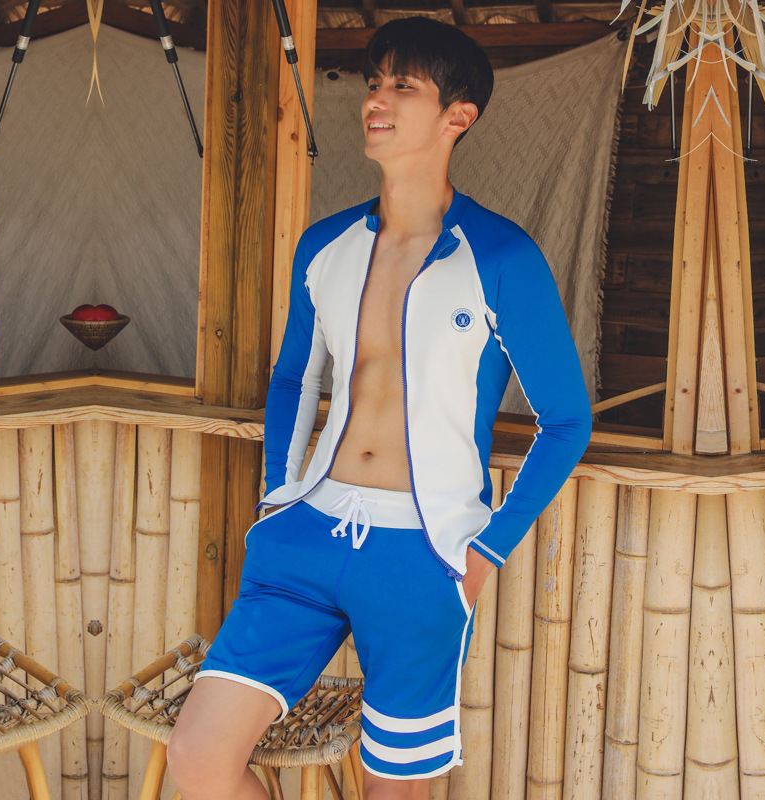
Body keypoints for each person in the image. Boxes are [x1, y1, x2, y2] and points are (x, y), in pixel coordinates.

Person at [168, 16, 593, 800]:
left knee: (391, 790)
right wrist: (277, 498)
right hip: (304, 534)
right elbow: (294, 381)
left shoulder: (502, 258)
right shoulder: (325, 246)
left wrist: (483, 553)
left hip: (422, 552)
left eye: (403, 85)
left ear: (458, 116)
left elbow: (566, 422)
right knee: (197, 759)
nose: (376, 99)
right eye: (373, 82)